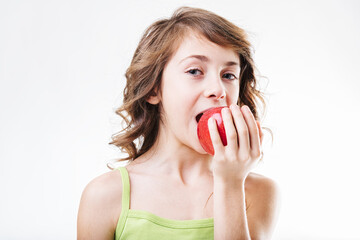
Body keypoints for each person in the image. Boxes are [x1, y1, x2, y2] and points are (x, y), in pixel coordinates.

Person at [77, 6, 280, 240]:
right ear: (154, 89)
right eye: (195, 71)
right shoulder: (104, 196)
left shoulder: (258, 193)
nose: (218, 90)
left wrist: (230, 183)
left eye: (228, 75)